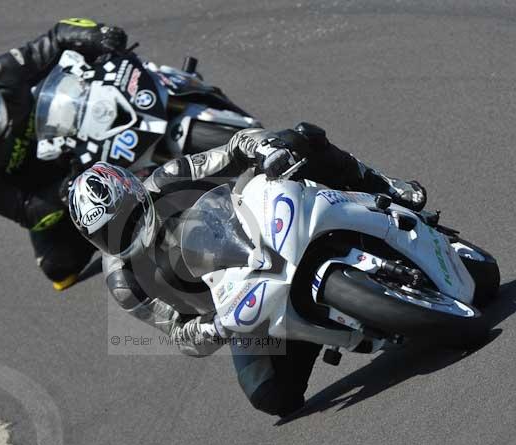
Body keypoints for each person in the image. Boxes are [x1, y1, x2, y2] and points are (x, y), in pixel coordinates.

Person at [67, 123, 427, 416]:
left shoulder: (169, 177)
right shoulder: (123, 281)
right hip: (243, 299)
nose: (123, 232)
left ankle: (385, 186)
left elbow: (235, 147)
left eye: (125, 217)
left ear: (133, 190)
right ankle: (320, 329)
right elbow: (178, 334)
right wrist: (214, 327)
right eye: (106, 234)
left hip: (262, 227)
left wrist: (265, 149)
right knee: (270, 396)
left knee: (299, 137)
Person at [0, 18, 128, 291]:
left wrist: (97, 35)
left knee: (115, 60)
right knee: (58, 267)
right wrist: (65, 189)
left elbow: (56, 37)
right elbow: (26, 212)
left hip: (80, 125)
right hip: (56, 184)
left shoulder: (4, 72)